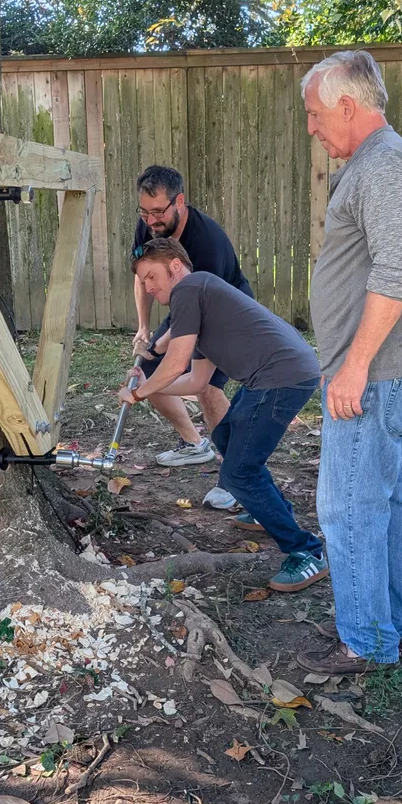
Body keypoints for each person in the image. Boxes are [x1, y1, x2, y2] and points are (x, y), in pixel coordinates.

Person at [297, 50, 402, 674]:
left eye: (314, 114)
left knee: (348, 506)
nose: (311, 127)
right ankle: (392, 626)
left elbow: (396, 272)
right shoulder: (379, 162)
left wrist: (352, 367)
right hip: (380, 371)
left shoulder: (383, 166)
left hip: (376, 376)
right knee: (381, 499)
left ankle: (366, 644)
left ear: (347, 106)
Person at [118, 239, 328, 593]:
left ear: (174, 266)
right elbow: (196, 380)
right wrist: (148, 383)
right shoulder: (200, 306)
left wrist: (139, 392)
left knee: (239, 472)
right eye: (143, 282)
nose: (149, 289)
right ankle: (271, 509)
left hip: (282, 377)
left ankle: (307, 553)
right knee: (226, 437)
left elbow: (173, 362)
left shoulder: (191, 288)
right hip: (276, 375)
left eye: (151, 277)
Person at [132, 165, 252, 503]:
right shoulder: (150, 225)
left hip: (227, 312)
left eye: (157, 212)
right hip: (187, 307)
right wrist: (144, 329)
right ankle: (194, 444)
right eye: (144, 211)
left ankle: (236, 477)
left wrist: (159, 346)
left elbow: (200, 312)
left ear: (179, 202)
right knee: (146, 373)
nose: (150, 220)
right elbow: (142, 274)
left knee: (208, 389)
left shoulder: (206, 241)